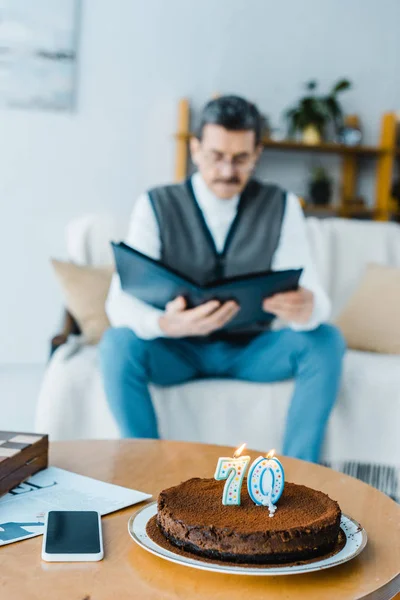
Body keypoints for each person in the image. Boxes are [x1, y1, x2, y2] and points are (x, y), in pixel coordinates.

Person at [99, 96, 345, 463]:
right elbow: (118, 302)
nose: (228, 171)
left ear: (257, 153)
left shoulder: (283, 205)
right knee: (117, 344)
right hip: (177, 350)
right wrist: (165, 323)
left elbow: (317, 300)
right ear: (195, 149)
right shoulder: (155, 204)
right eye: (216, 156)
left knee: (325, 340)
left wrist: (307, 307)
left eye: (241, 159)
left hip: (252, 350)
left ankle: (302, 476)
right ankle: (144, 470)